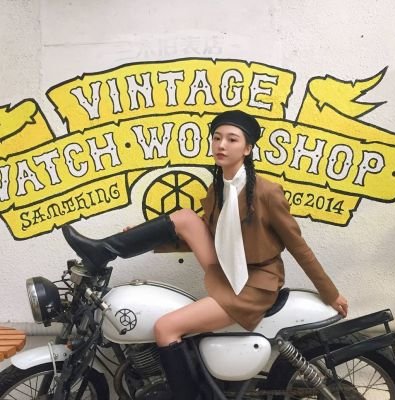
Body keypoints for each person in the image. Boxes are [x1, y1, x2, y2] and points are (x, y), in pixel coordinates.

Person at [62, 110, 348, 400]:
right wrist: (144, 238)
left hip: (254, 284)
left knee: (165, 328)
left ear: (247, 149)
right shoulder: (218, 188)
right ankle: (102, 251)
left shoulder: (267, 193)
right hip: (227, 269)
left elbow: (298, 246)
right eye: (217, 138)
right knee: (186, 218)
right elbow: (214, 236)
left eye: (232, 140)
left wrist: (330, 293)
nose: (221, 145)